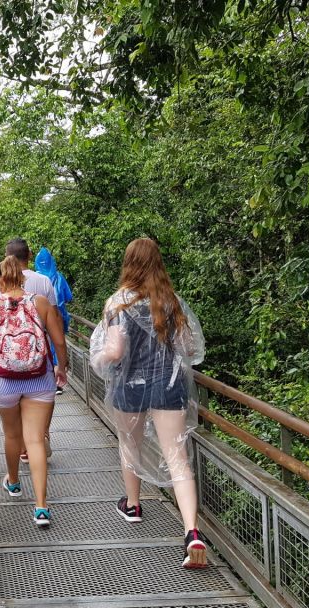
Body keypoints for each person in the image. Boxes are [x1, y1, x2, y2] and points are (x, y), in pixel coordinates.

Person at [89, 238, 207, 568]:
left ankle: (133, 505)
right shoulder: (170, 300)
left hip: (129, 387)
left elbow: (113, 352)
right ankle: (191, 533)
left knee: (131, 446)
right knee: (177, 457)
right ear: (158, 263)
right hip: (169, 387)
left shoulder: (117, 303)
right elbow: (187, 348)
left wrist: (97, 359)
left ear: (128, 264)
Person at [0, 256, 68, 527]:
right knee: (34, 440)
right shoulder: (40, 302)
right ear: (22, 277)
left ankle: (13, 482)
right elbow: (58, 340)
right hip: (39, 378)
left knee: (12, 434)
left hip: (5, 381)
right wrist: (62, 369)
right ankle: (41, 507)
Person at [0, 238, 60, 462]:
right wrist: (61, 363)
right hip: (39, 357)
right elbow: (54, 317)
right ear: (29, 255)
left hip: (6, 363)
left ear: (7, 256)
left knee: (14, 406)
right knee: (37, 404)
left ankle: (21, 448)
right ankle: (39, 439)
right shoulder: (44, 281)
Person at [34, 247, 74, 396]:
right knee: (57, 345)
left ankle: (45, 378)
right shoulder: (58, 277)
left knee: (44, 346)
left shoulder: (35, 277)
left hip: (41, 319)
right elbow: (68, 297)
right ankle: (59, 380)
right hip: (59, 317)